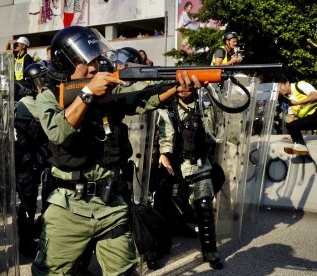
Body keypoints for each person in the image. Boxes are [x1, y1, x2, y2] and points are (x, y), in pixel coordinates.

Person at [30, 25, 203, 275]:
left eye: (95, 60)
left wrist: (176, 88)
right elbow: (58, 131)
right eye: (84, 61)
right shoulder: (48, 97)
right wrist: (88, 93)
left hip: (111, 203)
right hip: (68, 206)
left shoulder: (108, 91)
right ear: (65, 64)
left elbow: (141, 97)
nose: (93, 67)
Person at [156, 84, 224, 270]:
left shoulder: (205, 106)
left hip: (200, 165)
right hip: (175, 167)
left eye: (189, 86)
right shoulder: (167, 109)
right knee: (167, 210)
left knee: (205, 208)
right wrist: (165, 153)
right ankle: (160, 249)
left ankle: (210, 251)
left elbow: (216, 130)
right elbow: (166, 135)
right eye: (181, 86)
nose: (185, 90)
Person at [14, 63, 50, 258]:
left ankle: (39, 233)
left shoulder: (41, 98)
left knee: (48, 200)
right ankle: (25, 242)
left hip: (41, 159)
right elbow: (52, 115)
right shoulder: (27, 102)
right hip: (27, 161)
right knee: (28, 205)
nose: (43, 83)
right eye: (39, 80)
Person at [277, 75, 317, 156]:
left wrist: (297, 103)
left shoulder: (300, 85)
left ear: (287, 83)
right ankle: (301, 148)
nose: (279, 90)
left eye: (280, 86)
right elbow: (291, 116)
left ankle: (301, 147)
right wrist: (293, 133)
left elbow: (315, 95)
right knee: (291, 125)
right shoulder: (288, 98)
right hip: (311, 119)